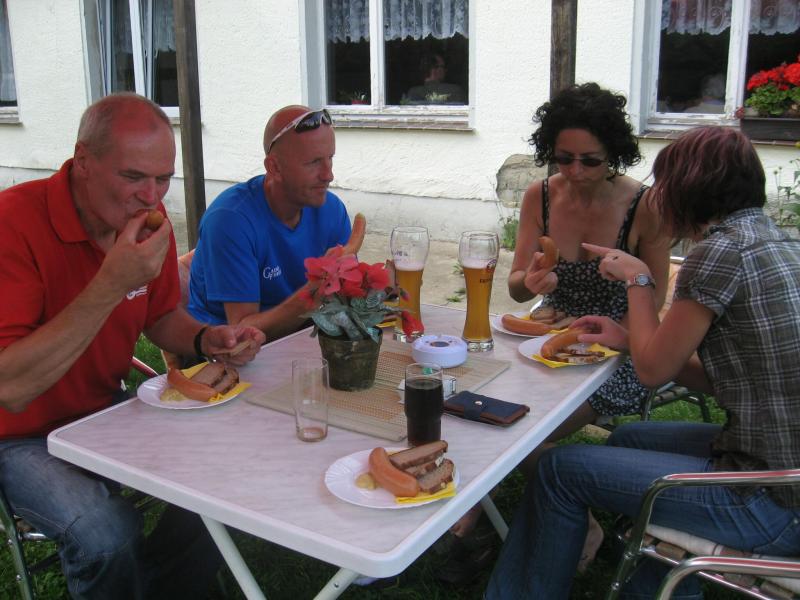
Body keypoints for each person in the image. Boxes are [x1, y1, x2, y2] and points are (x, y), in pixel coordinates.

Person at [485, 126, 800, 599]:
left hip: (771, 501)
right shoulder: (776, 241)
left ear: (689, 190)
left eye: (667, 185)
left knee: (558, 470)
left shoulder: (718, 254)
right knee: (629, 438)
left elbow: (653, 374)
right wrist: (629, 342)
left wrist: (638, 279)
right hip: (775, 466)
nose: (660, 197)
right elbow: (717, 376)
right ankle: (653, 582)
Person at [0, 92, 265, 599]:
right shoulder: (13, 223)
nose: (151, 196)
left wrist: (205, 337)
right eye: (133, 176)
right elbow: (10, 388)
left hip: (105, 412)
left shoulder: (145, 218)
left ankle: (163, 589)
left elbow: (158, 314)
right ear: (83, 160)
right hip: (19, 435)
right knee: (105, 534)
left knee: (232, 473)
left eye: (163, 178)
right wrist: (110, 283)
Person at [442, 83, 671, 583]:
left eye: (590, 160)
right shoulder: (540, 196)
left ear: (614, 152)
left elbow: (654, 298)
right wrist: (532, 281)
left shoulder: (644, 204)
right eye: (564, 158)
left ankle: (492, 519)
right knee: (477, 405)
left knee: (520, 431)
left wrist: (621, 320)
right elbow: (516, 287)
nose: (575, 171)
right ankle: (483, 511)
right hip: (544, 337)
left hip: (615, 345)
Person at [187, 105, 353, 341]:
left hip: (302, 342)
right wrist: (313, 294)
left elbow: (345, 297)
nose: (328, 175)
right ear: (274, 167)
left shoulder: (332, 209)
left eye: (330, 158)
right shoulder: (230, 220)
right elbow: (242, 332)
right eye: (314, 162)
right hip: (226, 352)